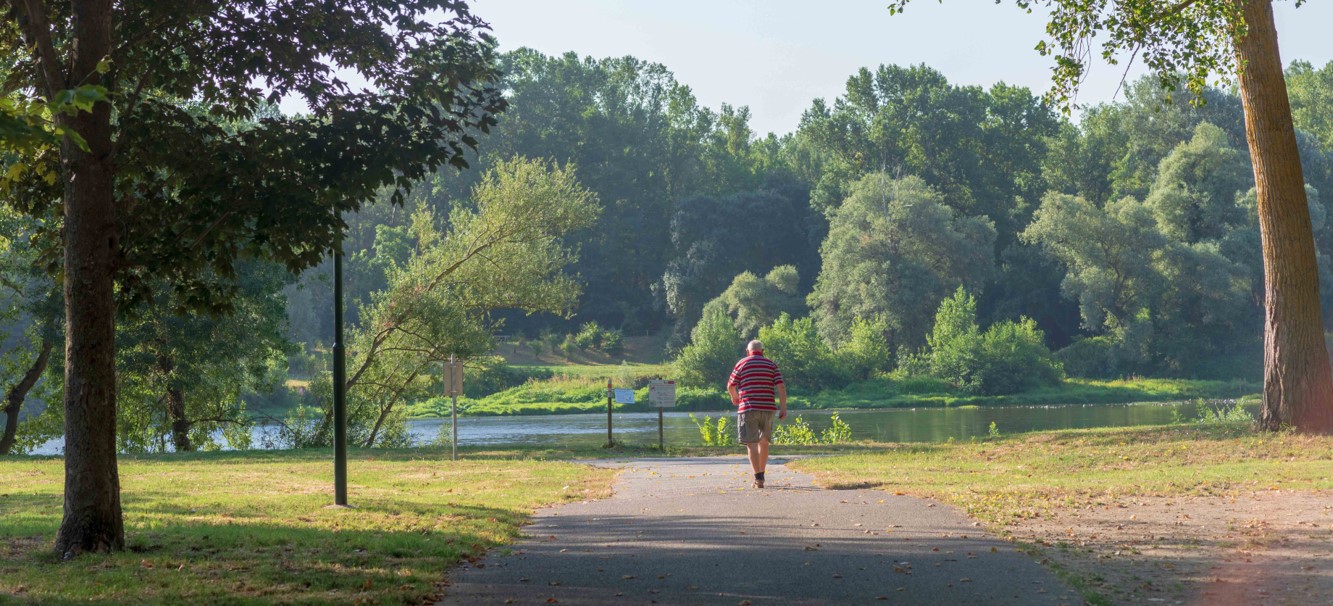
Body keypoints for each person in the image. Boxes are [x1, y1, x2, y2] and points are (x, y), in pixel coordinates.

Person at [727, 339, 787, 488]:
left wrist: (735, 397)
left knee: (751, 443)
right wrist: (783, 408)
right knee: (764, 442)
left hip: (748, 408)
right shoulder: (771, 365)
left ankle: (758, 478)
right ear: (763, 351)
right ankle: (762, 475)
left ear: (747, 351)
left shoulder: (742, 363)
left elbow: (731, 385)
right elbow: (781, 387)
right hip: (768, 408)